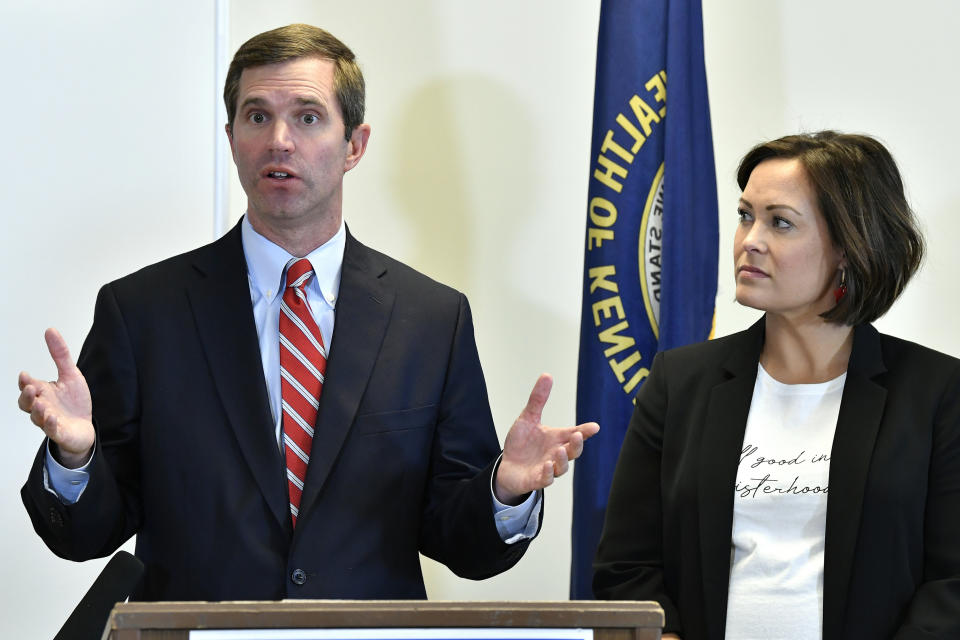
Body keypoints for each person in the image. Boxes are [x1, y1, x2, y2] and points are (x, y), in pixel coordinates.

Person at [18, 24, 599, 601]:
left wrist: (504, 491)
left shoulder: (430, 319)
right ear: (231, 137)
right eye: (256, 116)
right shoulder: (143, 312)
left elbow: (457, 536)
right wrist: (75, 456)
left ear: (355, 145)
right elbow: (87, 533)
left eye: (308, 117)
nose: (279, 141)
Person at [593, 131, 960, 639]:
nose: (750, 241)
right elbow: (626, 566)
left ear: (849, 247)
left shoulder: (937, 392)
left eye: (780, 223)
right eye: (746, 216)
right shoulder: (680, 382)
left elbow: (952, 584)